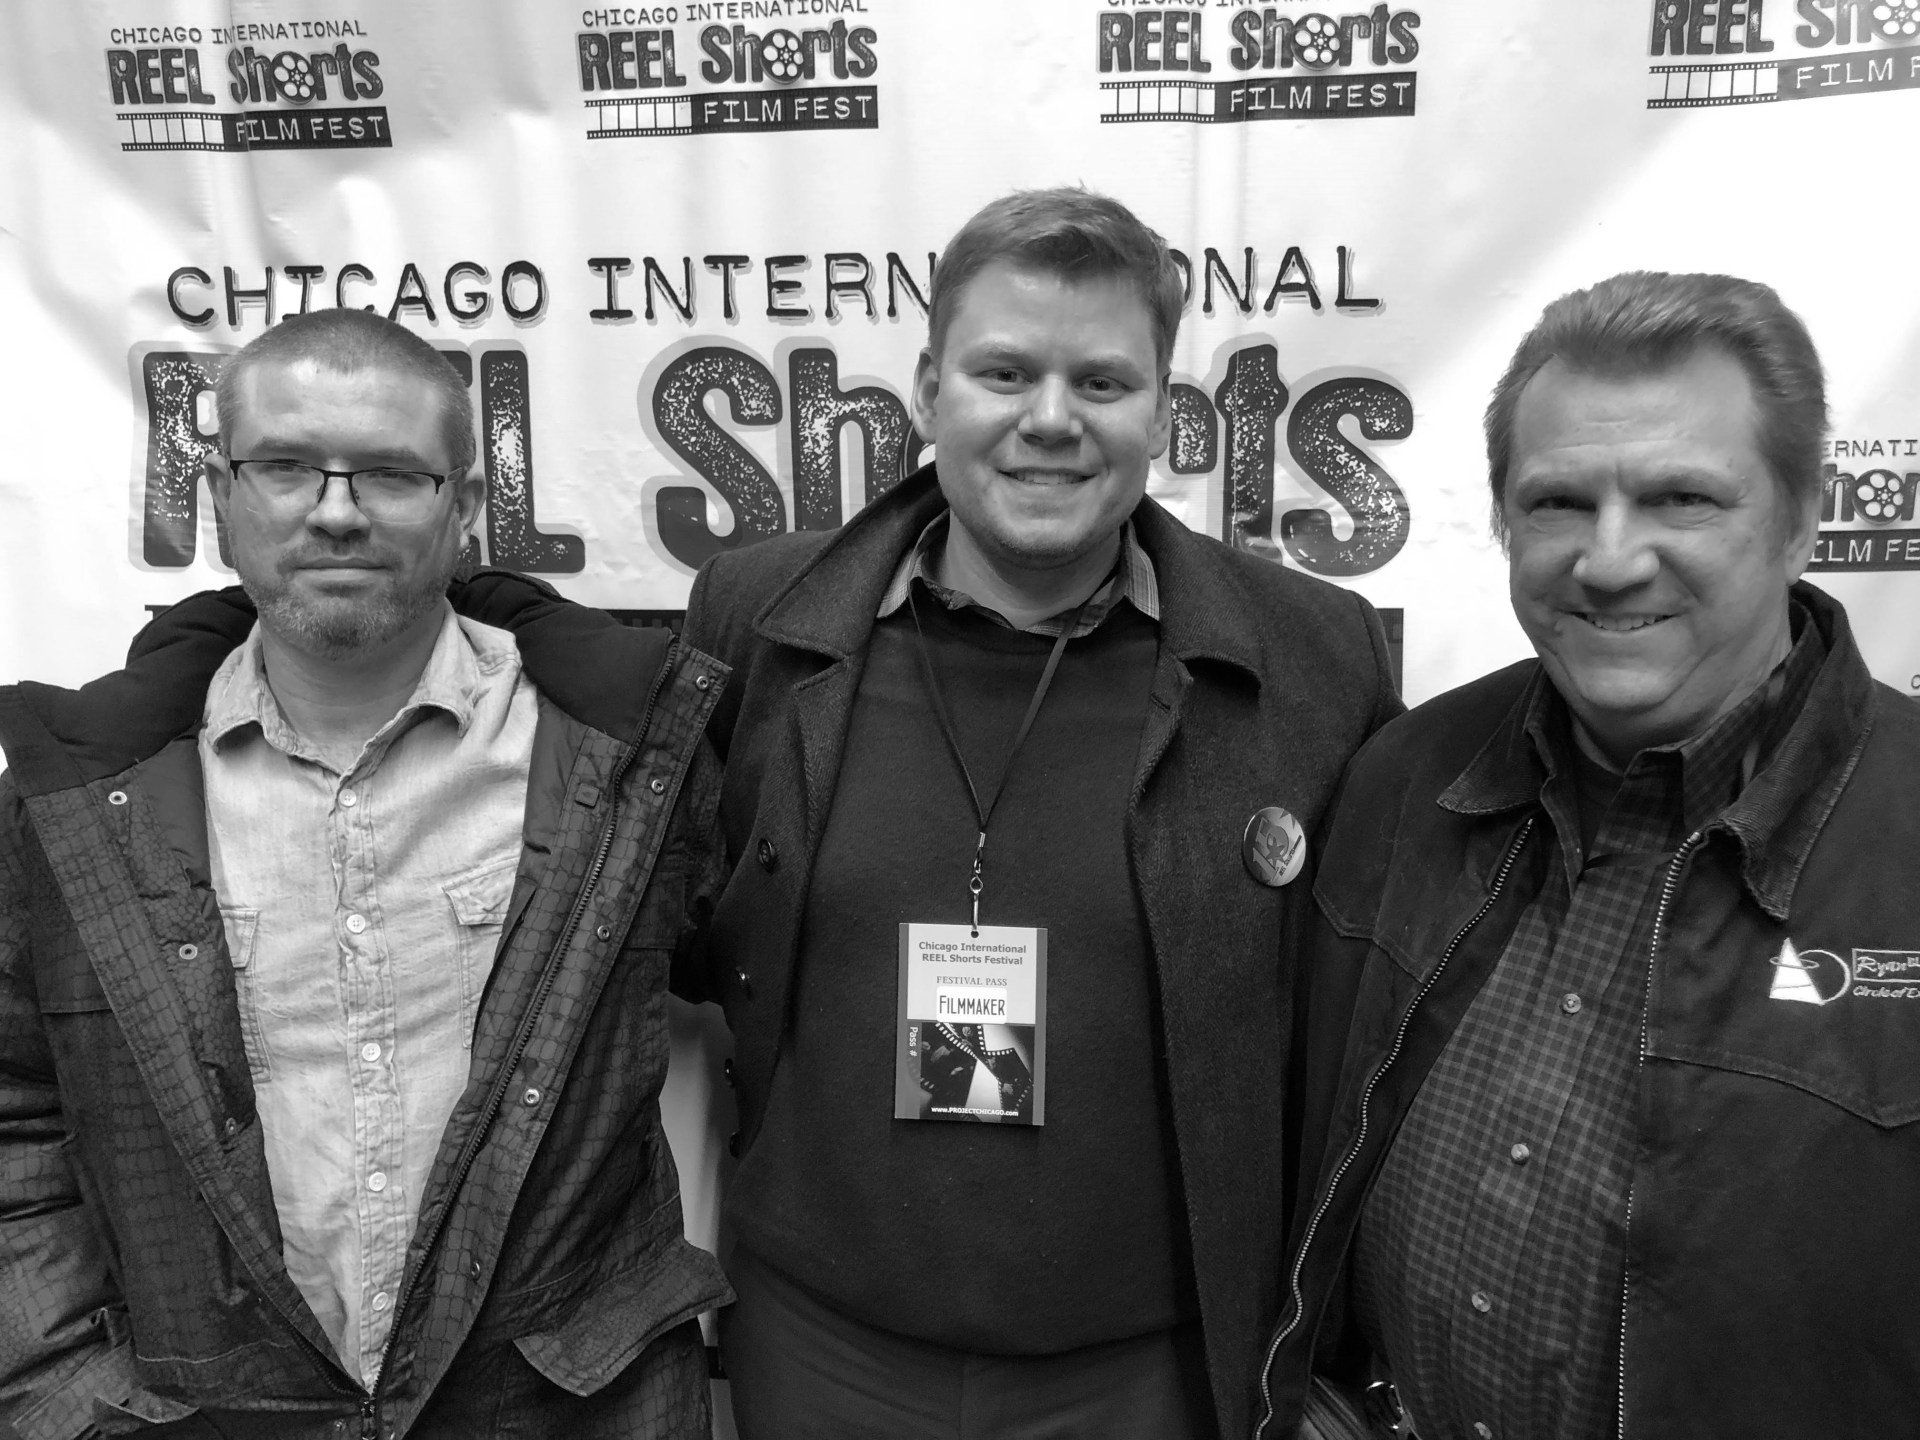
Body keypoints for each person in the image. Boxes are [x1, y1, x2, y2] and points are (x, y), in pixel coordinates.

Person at [676, 188, 1401, 1439]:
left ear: (1164, 413)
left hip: (1155, 1360)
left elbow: (1368, 1022)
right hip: (819, 1339)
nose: (1052, 420)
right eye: (1004, 372)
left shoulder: (1314, 655)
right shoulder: (759, 616)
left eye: (1103, 382)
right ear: (928, 391)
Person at [0, 309, 730, 1439]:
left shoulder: (632, 760)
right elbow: (16, 1111)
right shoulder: (77, 804)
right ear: (221, 495)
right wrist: (61, 1393)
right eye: (287, 466)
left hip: (565, 1411)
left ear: (466, 508)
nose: (337, 512)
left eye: (392, 473)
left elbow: (786, 1003)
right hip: (204, 1418)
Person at [1261, 271, 1920, 1440]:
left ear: (1802, 519)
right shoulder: (1402, 777)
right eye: (1560, 502)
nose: (1611, 562)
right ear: (1506, 524)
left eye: (1682, 498)